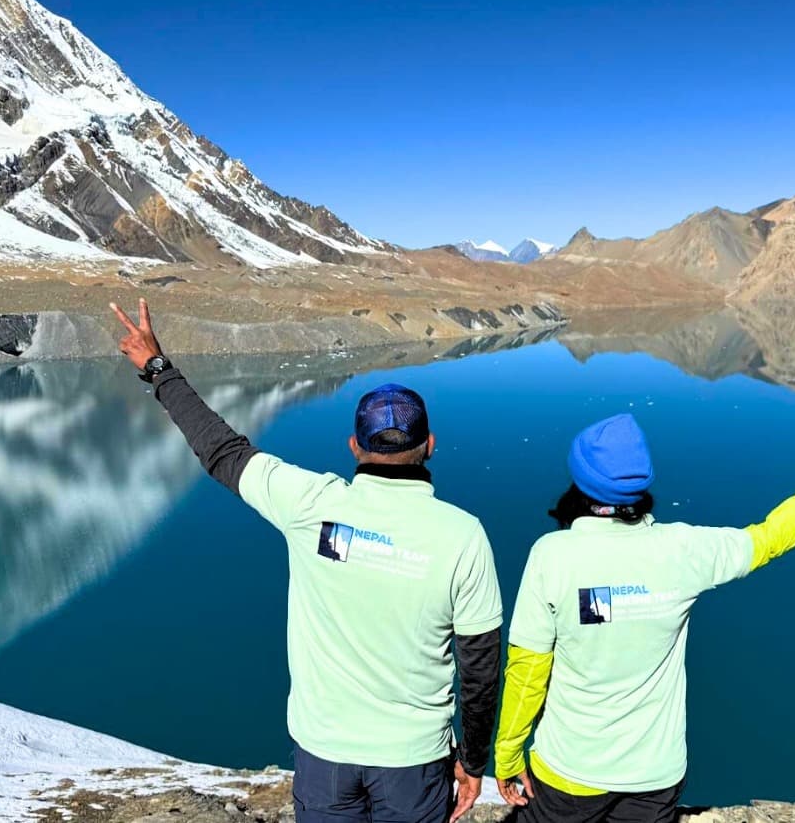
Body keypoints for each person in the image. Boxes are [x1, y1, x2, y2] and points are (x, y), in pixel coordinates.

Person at [110, 299, 502, 823]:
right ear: (429, 446)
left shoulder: (311, 504)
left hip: (324, 756)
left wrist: (158, 370)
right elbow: (480, 668)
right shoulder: (463, 536)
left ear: (354, 447)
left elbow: (222, 452)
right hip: (415, 762)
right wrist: (474, 763)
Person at [493, 412, 795, 823]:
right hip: (654, 777)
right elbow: (771, 537)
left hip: (570, 773)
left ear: (580, 481)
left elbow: (527, 670)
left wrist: (507, 754)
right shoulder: (685, 551)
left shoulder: (552, 556)